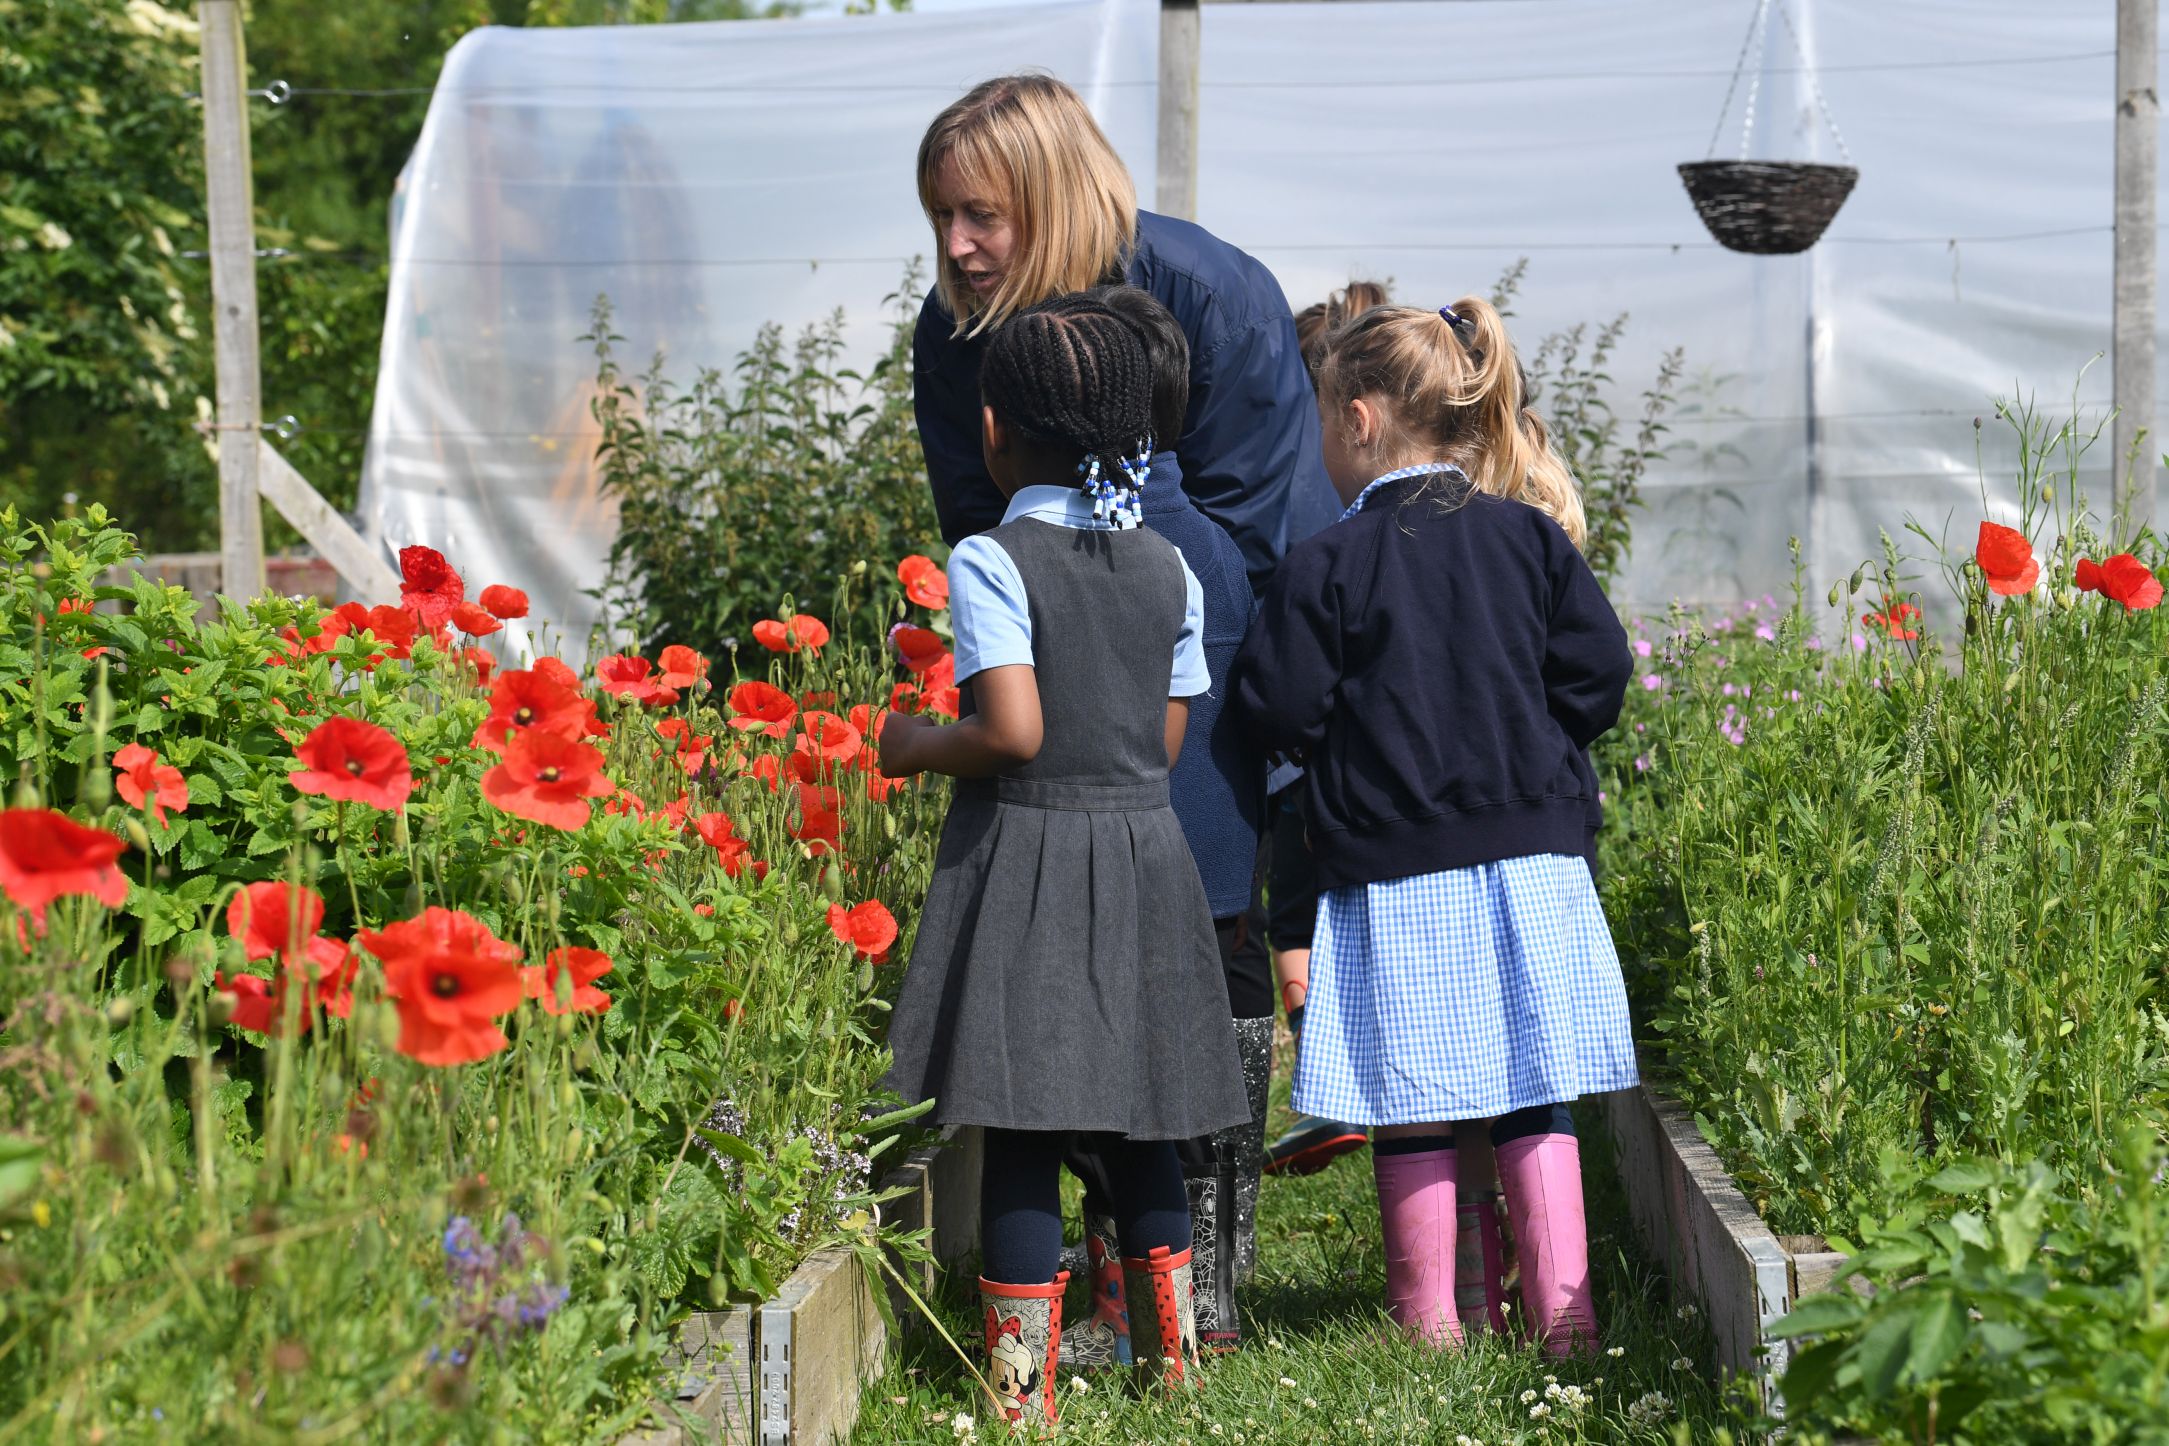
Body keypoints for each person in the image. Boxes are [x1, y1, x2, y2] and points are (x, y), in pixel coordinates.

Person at [912, 74, 1299, 1351]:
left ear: (1052, 193)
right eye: (942, 222)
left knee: (1203, 927)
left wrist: (1163, 597)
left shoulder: (1205, 285)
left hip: (1199, 645)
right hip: (1053, 650)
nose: (958, 249)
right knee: (1057, 957)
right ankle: (1105, 1274)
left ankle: (1211, 1259)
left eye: (982, 217)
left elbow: (1265, 512)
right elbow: (972, 516)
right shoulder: (950, 334)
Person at [1227, 298, 1637, 1354]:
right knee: (1534, 1091)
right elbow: (1597, 675)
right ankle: (1565, 1316)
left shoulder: (1329, 563)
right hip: (1536, 862)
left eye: (1324, 423)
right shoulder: (1528, 541)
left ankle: (1429, 1326)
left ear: (1358, 419)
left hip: (1395, 872)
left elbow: (1276, 706)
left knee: (1409, 1095)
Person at [879, 295, 1251, 1423]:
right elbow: (1169, 739)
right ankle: (1171, 1368)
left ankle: (1018, 1393)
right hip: (1146, 857)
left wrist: (912, 745)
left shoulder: (993, 559)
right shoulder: (1171, 568)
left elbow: (1015, 732)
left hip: (1033, 863)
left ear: (995, 429)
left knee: (1025, 1127)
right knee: (1142, 1117)